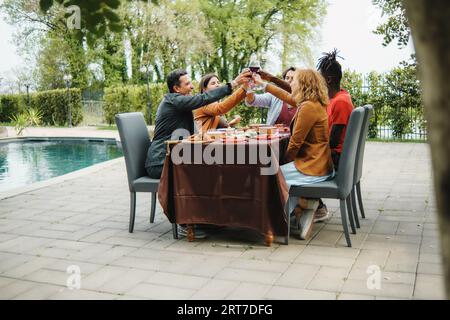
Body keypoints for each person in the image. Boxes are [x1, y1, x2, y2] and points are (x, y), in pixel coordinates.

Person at [253, 69, 334, 240]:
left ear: (303, 85)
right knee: (274, 173)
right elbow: (286, 96)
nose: (292, 84)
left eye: (294, 81)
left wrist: (282, 162)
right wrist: (266, 82)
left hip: (313, 167)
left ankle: (284, 216)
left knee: (270, 175)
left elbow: (294, 144)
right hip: (319, 163)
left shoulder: (308, 108)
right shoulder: (312, 102)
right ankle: (300, 211)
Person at [145, 68, 251, 180]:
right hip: (160, 163)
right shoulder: (174, 101)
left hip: (171, 157)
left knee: (216, 163)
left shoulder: (178, 103)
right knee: (211, 168)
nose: (192, 87)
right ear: (176, 88)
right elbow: (203, 99)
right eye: (187, 84)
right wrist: (234, 83)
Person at [314, 49, 355, 222]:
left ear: (328, 80)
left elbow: (332, 142)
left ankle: (314, 207)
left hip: (335, 160)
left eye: (319, 79)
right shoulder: (339, 97)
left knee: (287, 162)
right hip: (334, 156)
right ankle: (308, 206)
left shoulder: (341, 102)